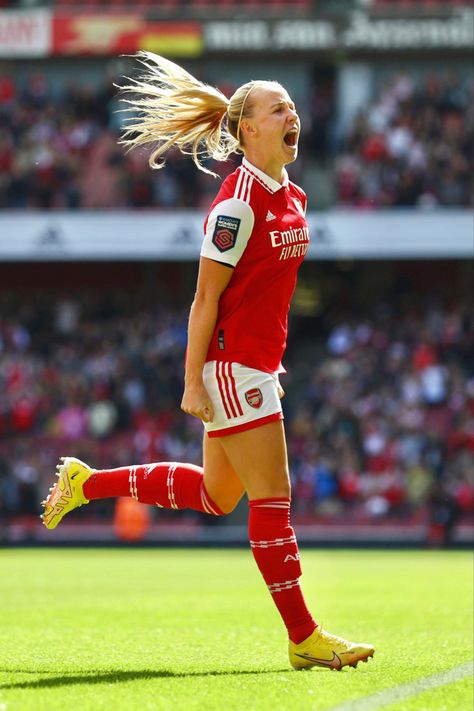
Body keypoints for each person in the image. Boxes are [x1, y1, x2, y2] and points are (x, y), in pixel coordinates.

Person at [41, 52, 374, 671]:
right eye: (278, 108)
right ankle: (304, 636)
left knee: (220, 496)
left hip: (255, 365)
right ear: (247, 129)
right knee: (272, 495)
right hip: (232, 367)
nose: (291, 113)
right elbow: (204, 300)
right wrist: (192, 379)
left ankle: (86, 483)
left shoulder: (293, 195)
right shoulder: (236, 204)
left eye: (293, 106)